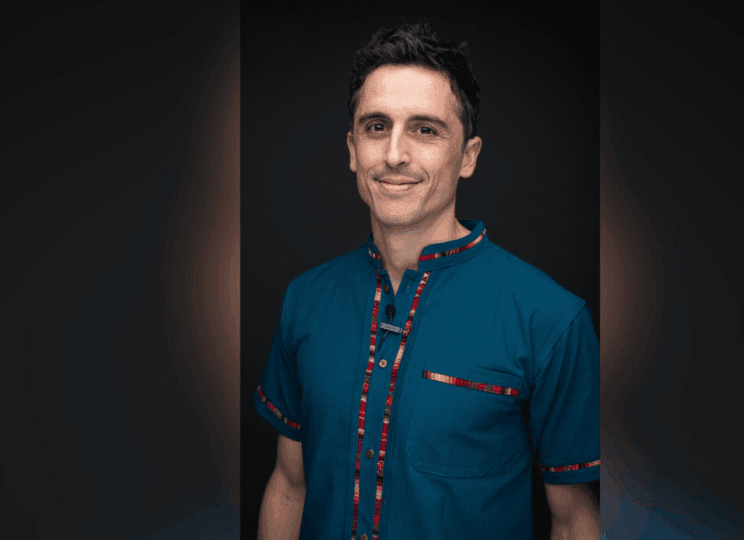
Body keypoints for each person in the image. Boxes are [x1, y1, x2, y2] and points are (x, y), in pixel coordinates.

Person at [254, 22, 599, 540]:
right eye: (376, 127)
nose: (394, 154)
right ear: (352, 149)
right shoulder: (305, 299)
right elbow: (289, 485)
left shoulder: (551, 320)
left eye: (425, 130)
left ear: (468, 156)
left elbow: (573, 521)